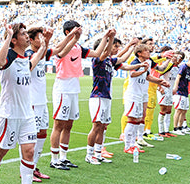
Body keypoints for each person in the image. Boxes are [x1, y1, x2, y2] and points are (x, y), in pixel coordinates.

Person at [0, 22, 50, 184]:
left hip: (27, 115)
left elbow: (37, 58)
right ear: (14, 40)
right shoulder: (9, 59)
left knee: (29, 151)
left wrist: (45, 43)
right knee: (1, 151)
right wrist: (7, 37)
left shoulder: (24, 60)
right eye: (22, 34)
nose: (27, 37)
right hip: (9, 115)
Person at [24, 24, 82, 180]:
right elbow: (32, 64)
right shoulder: (28, 54)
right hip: (32, 101)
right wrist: (45, 45)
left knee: (42, 134)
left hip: (42, 101)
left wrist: (72, 37)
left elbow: (58, 50)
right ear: (31, 40)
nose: (42, 40)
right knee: (32, 136)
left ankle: (34, 167)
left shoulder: (42, 52)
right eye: (39, 37)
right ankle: (27, 171)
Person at [86, 33, 139, 165]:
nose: (115, 49)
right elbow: (107, 52)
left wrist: (132, 46)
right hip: (97, 96)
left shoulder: (110, 61)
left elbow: (123, 58)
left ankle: (98, 153)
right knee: (96, 125)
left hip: (106, 97)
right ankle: (89, 154)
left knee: (103, 126)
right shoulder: (98, 59)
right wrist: (109, 39)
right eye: (113, 46)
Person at [49, 20, 94, 170]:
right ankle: (54, 159)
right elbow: (61, 53)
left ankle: (63, 157)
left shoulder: (78, 47)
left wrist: (107, 39)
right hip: (62, 88)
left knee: (69, 124)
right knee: (59, 124)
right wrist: (74, 37)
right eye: (76, 29)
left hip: (74, 88)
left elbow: (98, 54)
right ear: (68, 32)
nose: (79, 32)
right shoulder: (61, 46)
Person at [123, 44, 169, 155]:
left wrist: (160, 81)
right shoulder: (135, 62)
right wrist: (142, 71)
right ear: (139, 53)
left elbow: (147, 76)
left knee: (138, 119)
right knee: (132, 120)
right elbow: (133, 74)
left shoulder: (147, 62)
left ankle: (134, 144)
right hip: (134, 94)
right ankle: (127, 145)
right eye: (146, 51)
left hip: (142, 94)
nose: (149, 53)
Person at [156, 51, 183, 137]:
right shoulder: (167, 65)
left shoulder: (177, 67)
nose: (178, 59)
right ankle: (161, 131)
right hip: (163, 89)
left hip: (170, 90)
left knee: (169, 110)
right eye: (177, 57)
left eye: (180, 58)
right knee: (163, 110)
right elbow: (158, 75)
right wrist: (159, 86)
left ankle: (167, 130)